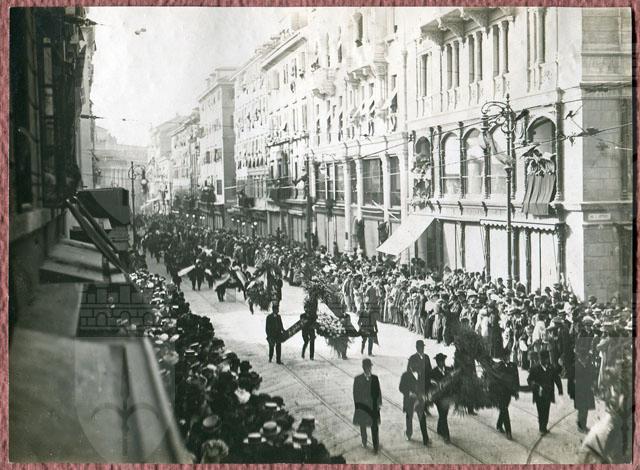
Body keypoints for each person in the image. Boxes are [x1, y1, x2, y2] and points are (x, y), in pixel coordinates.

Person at [527, 349, 563, 435]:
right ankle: (541, 427)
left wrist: (560, 390)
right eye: (543, 359)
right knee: (541, 411)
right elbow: (529, 380)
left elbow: (557, 379)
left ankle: (544, 426)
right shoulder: (534, 368)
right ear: (541, 359)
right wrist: (534, 385)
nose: (546, 360)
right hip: (539, 394)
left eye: (547, 359)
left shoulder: (551, 368)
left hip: (548, 393)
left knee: (546, 410)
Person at [352, 358, 381, 453]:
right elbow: (355, 394)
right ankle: (364, 441)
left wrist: (379, 403)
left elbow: (378, 392)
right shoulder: (358, 379)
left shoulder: (375, 378)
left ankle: (376, 446)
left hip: (373, 407)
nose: (369, 369)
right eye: (367, 367)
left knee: (374, 426)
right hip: (363, 407)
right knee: (363, 425)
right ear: (363, 367)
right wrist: (358, 406)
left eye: (370, 367)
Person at [491, 348, 520, 440]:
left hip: (509, 392)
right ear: (502, 357)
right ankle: (508, 431)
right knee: (504, 410)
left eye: (508, 355)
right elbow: (495, 380)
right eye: (506, 356)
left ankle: (499, 424)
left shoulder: (513, 366)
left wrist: (516, 392)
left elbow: (516, 379)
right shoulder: (498, 366)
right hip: (500, 392)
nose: (507, 357)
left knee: (504, 409)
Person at [399, 357, 429, 445]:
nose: (416, 366)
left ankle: (425, 438)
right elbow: (401, 387)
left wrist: (423, 394)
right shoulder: (405, 375)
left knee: (422, 418)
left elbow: (425, 386)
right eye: (414, 364)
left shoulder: (421, 374)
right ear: (410, 365)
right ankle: (409, 433)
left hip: (419, 400)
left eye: (417, 364)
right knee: (409, 417)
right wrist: (409, 393)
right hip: (409, 400)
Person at [430, 352, 452, 443]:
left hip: (447, 397)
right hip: (439, 398)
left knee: (444, 414)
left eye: (443, 361)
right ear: (437, 362)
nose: (442, 363)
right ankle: (446, 435)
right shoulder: (433, 372)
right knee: (443, 415)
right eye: (439, 361)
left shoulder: (449, 369)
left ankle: (439, 429)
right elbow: (431, 383)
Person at [409, 340, 433, 415]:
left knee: (426, 394)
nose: (422, 349)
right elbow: (410, 369)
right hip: (418, 380)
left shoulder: (426, 357)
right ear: (417, 348)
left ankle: (426, 408)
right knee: (419, 394)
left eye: (422, 347)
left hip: (426, 379)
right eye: (420, 347)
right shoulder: (413, 357)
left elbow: (430, 368)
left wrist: (431, 377)